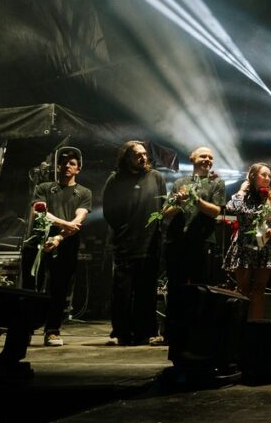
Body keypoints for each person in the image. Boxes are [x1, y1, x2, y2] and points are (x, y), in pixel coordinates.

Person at [25, 148, 92, 347]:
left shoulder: (84, 192)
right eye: (63, 163)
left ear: (78, 169)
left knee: (59, 289)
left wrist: (58, 238)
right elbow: (40, 212)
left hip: (66, 244)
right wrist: (65, 224)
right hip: (38, 242)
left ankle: (52, 331)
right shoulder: (44, 188)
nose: (66, 166)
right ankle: (25, 329)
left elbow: (79, 218)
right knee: (31, 288)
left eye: (72, 163)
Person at [102, 141, 166, 346]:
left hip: (150, 243)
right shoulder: (115, 179)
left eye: (145, 154)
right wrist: (122, 231)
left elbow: (163, 206)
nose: (143, 157)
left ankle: (145, 332)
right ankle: (122, 332)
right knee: (122, 291)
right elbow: (108, 210)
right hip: (125, 244)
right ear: (127, 157)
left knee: (146, 291)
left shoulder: (156, 177)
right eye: (138, 154)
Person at [161, 146, 225, 341]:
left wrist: (196, 199)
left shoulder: (216, 182)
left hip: (202, 242)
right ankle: (172, 333)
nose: (207, 159)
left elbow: (216, 211)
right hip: (177, 242)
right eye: (203, 156)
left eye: (210, 157)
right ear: (192, 158)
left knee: (201, 287)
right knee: (175, 287)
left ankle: (198, 334)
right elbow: (165, 213)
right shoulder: (180, 183)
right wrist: (179, 202)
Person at [224, 163, 271, 321]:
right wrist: (241, 191)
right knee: (243, 288)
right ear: (252, 176)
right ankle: (239, 324)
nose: (267, 178)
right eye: (263, 175)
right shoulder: (243, 196)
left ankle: (255, 325)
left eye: (269, 176)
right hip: (245, 245)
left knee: (259, 288)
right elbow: (232, 208)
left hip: (265, 245)